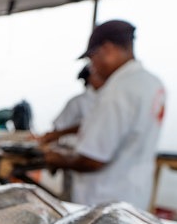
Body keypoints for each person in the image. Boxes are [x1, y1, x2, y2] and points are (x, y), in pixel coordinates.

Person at [41, 20, 166, 209]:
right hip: (135, 196)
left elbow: (93, 160)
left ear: (107, 49)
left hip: (103, 203)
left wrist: (57, 159)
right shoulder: (152, 83)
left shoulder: (118, 90)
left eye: (92, 58)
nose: (94, 66)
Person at [39, 64, 104, 148]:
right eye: (97, 74)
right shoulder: (78, 101)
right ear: (90, 78)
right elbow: (58, 128)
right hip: (75, 149)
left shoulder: (108, 97)